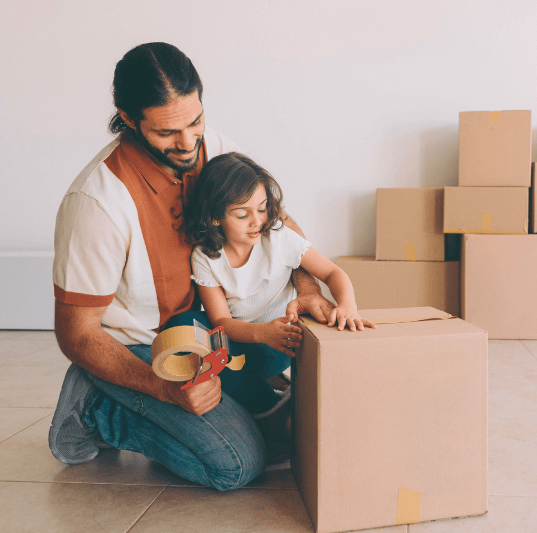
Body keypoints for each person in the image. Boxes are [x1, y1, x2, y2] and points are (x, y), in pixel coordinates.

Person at [48, 42, 334, 491]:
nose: (187, 143)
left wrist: (309, 288)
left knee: (287, 432)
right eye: (167, 132)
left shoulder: (211, 146)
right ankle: (95, 408)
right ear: (128, 119)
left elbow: (274, 222)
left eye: (195, 121)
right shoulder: (97, 203)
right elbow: (76, 334)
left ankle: (244, 404)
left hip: (204, 327)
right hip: (139, 347)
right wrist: (161, 386)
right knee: (238, 464)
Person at [182, 152, 375, 460]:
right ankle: (270, 409)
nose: (257, 221)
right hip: (244, 340)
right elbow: (220, 321)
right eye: (242, 215)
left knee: (239, 363)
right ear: (215, 217)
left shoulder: (278, 238)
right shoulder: (205, 257)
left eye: (262, 209)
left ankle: (272, 410)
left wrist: (347, 305)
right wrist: (261, 333)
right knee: (187, 329)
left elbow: (332, 272)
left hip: (281, 343)